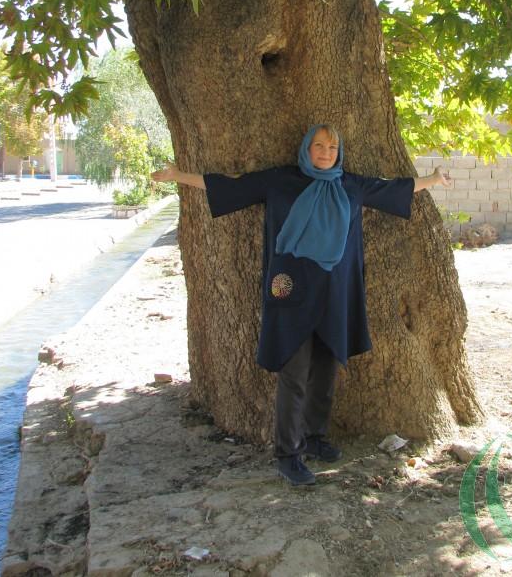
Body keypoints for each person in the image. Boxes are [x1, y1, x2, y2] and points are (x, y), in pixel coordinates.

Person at [152, 124, 451, 486]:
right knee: (294, 375)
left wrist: (433, 180)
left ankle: (314, 438)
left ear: (339, 152)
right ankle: (287, 454)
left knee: (325, 370)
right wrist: (177, 176)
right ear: (306, 148)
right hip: (289, 292)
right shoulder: (281, 181)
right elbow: (230, 184)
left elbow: (393, 189)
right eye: (319, 146)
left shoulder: (350, 185)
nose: (325, 152)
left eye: (332, 146)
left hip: (335, 293)